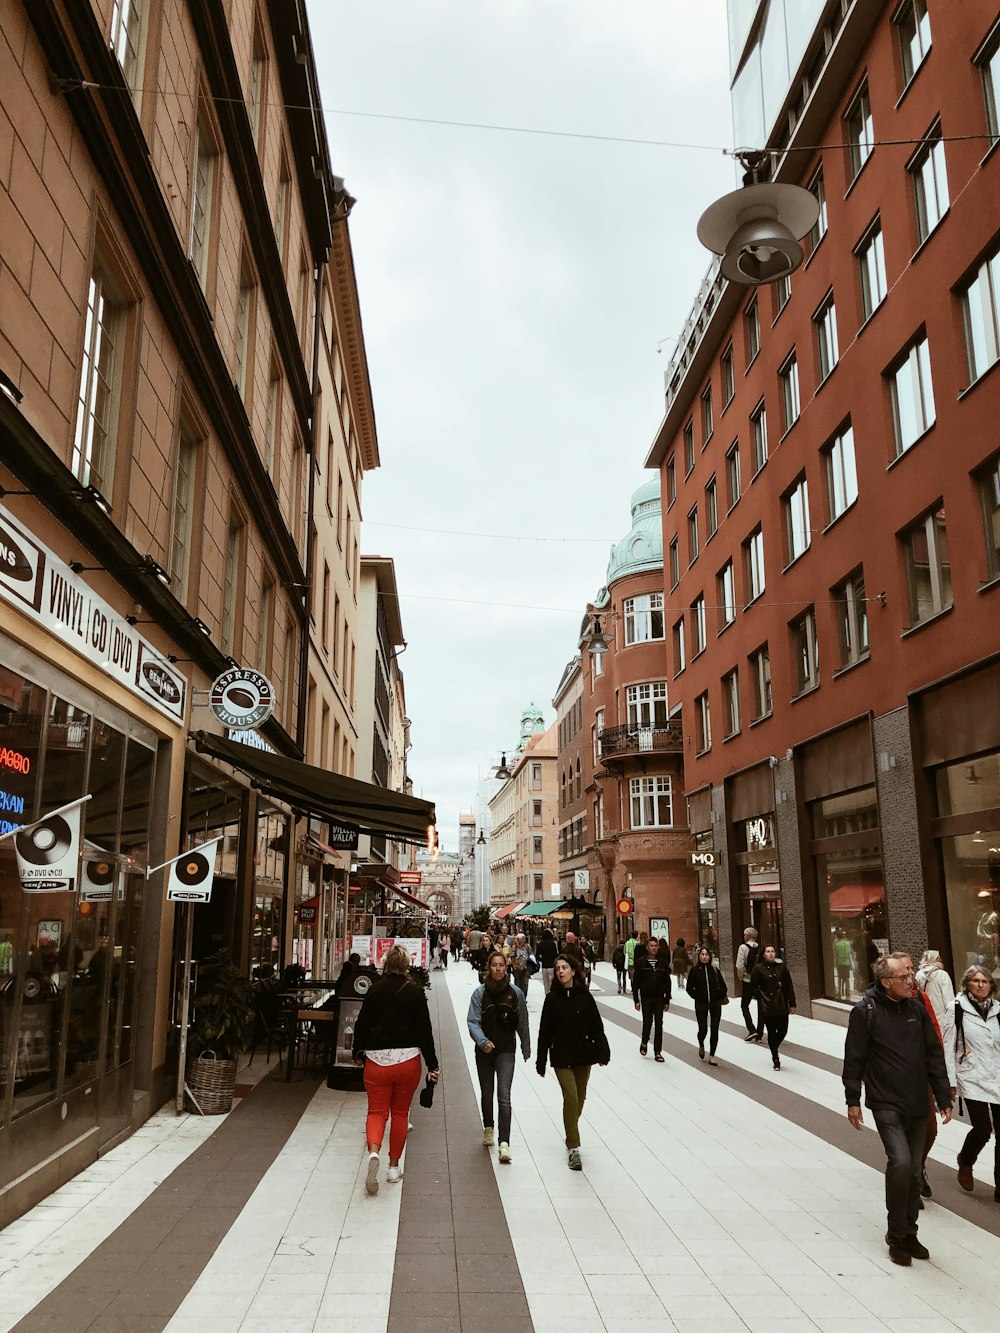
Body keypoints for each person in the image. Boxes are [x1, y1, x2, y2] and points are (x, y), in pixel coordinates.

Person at [843, 952, 952, 1266]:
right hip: (885, 1102)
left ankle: (910, 1233)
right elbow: (854, 1059)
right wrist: (853, 1098)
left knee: (915, 1172)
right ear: (886, 981)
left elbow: (933, 1054)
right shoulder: (866, 1012)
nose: (911, 980)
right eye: (904, 976)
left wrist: (943, 1097)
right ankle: (896, 1233)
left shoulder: (916, 1009)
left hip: (918, 1102)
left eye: (911, 974)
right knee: (901, 1163)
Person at [352, 944, 440, 1196]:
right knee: (400, 1113)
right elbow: (425, 1031)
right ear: (406, 965)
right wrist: (432, 1063)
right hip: (407, 1061)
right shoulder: (414, 991)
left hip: (377, 1062)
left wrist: (358, 1052)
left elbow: (362, 1023)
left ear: (385, 964)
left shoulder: (374, 989)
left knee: (376, 1112)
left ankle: (373, 1151)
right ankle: (393, 1167)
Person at [536, 953, 611, 1170]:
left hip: (582, 1055)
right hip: (560, 1055)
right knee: (570, 1096)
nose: (560, 972)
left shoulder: (585, 997)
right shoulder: (552, 1000)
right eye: (558, 968)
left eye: (564, 968)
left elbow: (596, 1027)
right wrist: (541, 1060)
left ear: (573, 971)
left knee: (580, 1098)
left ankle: (570, 1129)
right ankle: (574, 1146)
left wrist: (603, 1051)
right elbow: (544, 1032)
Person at [941, 964, 1000, 1203]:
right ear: (967, 984)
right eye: (975, 981)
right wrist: (950, 1082)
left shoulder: (998, 1010)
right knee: (983, 1129)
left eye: (984, 981)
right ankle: (966, 1161)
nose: (980, 985)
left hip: (996, 1075)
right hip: (971, 1076)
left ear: (991, 985)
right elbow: (948, 1046)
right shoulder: (957, 1009)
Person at [467, 950, 530, 1163]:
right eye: (494, 965)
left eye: (501, 965)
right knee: (487, 1092)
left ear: (506, 967)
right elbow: (472, 1021)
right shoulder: (479, 993)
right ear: (489, 967)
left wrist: (526, 1047)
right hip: (484, 1052)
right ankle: (488, 1127)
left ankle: (505, 1143)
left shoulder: (516, 994)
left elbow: (522, 1022)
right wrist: (482, 1042)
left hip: (506, 1050)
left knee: (504, 1095)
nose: (498, 969)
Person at [750, 945, 796, 1070]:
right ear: (763, 954)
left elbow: (788, 986)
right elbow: (753, 986)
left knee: (783, 1030)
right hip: (767, 1006)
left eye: (772, 951)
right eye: (768, 952)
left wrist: (792, 1003)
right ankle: (775, 1058)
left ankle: (774, 1046)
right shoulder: (758, 968)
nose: (770, 954)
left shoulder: (781, 967)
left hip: (781, 1004)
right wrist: (760, 996)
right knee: (771, 1031)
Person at [632, 936, 672, 1062]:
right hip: (646, 998)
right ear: (647, 947)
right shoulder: (641, 963)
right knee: (647, 1021)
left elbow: (667, 982)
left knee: (659, 1024)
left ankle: (658, 1051)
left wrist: (667, 1000)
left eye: (656, 946)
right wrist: (636, 1000)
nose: (654, 948)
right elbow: (636, 982)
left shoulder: (662, 964)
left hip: (659, 997)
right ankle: (644, 1041)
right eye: (651, 946)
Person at [686, 945, 728, 1065]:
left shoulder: (714, 970)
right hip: (701, 1004)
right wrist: (698, 996)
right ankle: (701, 1044)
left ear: (710, 957)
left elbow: (724, 987)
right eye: (702, 955)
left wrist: (718, 995)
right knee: (703, 1029)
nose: (704, 957)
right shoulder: (694, 971)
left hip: (715, 1004)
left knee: (714, 1029)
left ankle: (712, 1055)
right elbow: (689, 988)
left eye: (706, 955)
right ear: (699, 956)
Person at [735, 927, 763, 1042]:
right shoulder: (761, 948)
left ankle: (752, 1029)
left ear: (747, 936)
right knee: (761, 1007)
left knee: (744, 1005)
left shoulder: (743, 947)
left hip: (748, 981)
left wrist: (741, 976)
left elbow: (740, 965)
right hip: (759, 982)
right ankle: (759, 1034)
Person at [915, 950, 955, 1026]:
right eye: (938, 958)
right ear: (935, 959)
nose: (941, 960)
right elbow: (948, 998)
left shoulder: (919, 975)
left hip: (925, 1012)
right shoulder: (942, 974)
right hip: (941, 1014)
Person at [536, 928, 558, 994]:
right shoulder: (553, 944)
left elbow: (537, 956)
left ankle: (547, 996)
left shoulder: (540, 944)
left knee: (546, 984)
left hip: (544, 966)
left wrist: (542, 960)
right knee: (551, 984)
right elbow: (555, 955)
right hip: (551, 965)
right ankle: (552, 997)